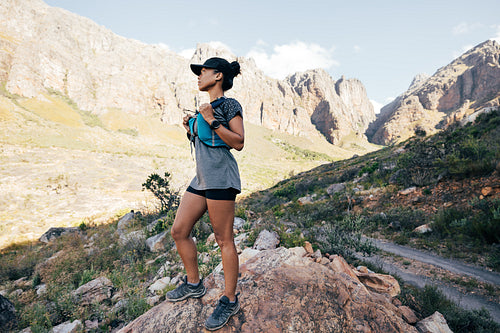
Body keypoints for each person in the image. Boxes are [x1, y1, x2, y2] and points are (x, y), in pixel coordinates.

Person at [166, 57, 244, 331]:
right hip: (201, 179)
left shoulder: (229, 105)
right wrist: (191, 129)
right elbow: (206, 144)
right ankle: (194, 284)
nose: (199, 76)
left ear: (218, 76)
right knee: (179, 230)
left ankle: (230, 299)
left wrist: (210, 121)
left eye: (203, 72)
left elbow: (239, 142)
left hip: (221, 178)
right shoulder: (204, 109)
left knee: (224, 240)